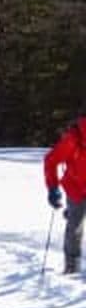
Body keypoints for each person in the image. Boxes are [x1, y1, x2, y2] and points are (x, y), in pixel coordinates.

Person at [45, 117, 86, 274]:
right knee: (75, 227)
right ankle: (71, 267)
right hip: (75, 188)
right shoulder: (72, 140)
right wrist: (53, 187)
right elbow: (51, 160)